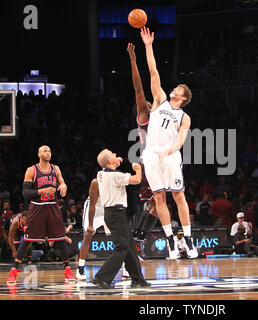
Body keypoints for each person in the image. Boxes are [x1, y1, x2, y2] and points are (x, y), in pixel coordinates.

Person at [140, 26, 198, 259]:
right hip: (151, 154)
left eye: (178, 89)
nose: (174, 89)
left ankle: (189, 241)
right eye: (175, 87)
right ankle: (172, 242)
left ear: (183, 97)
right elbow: (153, 71)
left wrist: (169, 150)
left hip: (171, 155)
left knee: (179, 196)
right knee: (159, 198)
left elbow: (181, 141)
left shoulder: (184, 117)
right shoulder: (160, 100)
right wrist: (148, 45)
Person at [7, 145, 76, 283]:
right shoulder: (32, 170)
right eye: (45, 151)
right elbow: (25, 193)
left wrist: (63, 186)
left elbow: (62, 182)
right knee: (27, 239)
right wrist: (41, 191)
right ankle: (14, 270)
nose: (48, 153)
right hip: (37, 207)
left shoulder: (55, 169)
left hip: (52, 207)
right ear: (39, 154)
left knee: (60, 238)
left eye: (50, 151)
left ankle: (67, 270)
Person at [91, 149, 150, 289]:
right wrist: (138, 169)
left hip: (112, 213)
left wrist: (115, 163)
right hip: (116, 213)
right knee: (122, 247)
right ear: (110, 161)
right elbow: (137, 180)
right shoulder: (115, 176)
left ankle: (137, 280)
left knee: (130, 248)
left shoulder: (101, 174)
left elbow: (112, 171)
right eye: (114, 155)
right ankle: (101, 278)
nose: (117, 156)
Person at [126, 42, 159, 255]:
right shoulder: (144, 116)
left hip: (158, 161)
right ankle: (137, 238)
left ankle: (137, 237)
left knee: (156, 206)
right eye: (144, 103)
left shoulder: (157, 114)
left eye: (148, 102)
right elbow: (139, 88)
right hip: (149, 162)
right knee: (157, 204)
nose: (147, 102)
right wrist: (133, 60)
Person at [76, 178, 112, 280]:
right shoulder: (97, 182)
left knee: (118, 237)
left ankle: (126, 267)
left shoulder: (117, 179)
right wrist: (91, 225)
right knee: (87, 237)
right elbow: (92, 204)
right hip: (93, 208)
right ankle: (80, 269)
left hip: (107, 208)